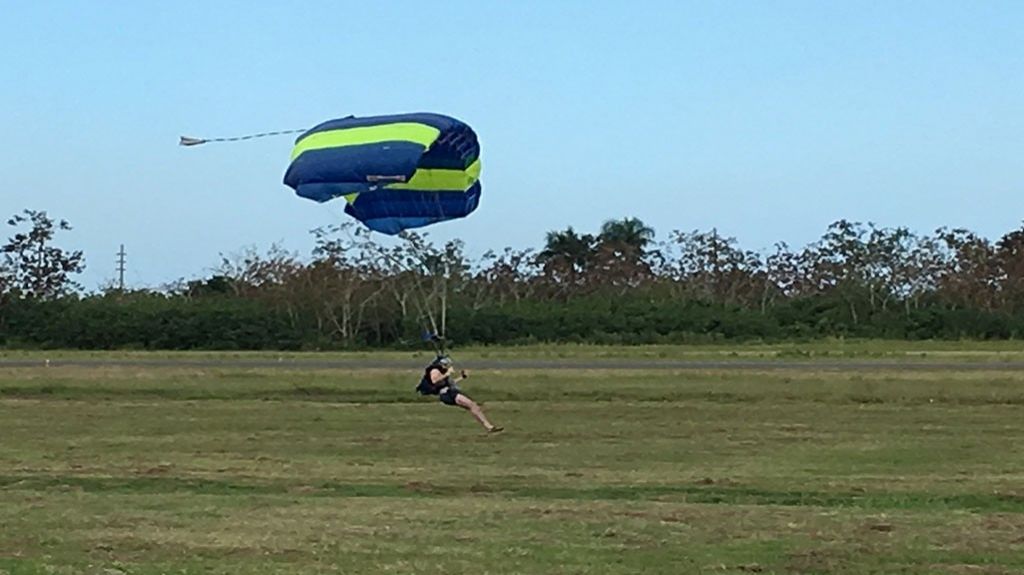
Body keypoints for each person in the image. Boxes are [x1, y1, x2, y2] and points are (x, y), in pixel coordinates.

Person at [417, 356, 503, 433]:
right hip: (447, 394)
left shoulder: (442, 372)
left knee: (473, 406)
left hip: (450, 392)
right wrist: (447, 373)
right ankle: (489, 427)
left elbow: (450, 383)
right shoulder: (435, 370)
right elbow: (434, 381)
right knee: (472, 405)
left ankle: (489, 427)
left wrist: (462, 377)